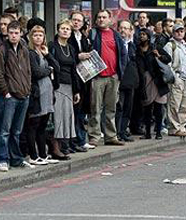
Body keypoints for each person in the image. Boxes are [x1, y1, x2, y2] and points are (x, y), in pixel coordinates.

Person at [0, 20, 33, 172]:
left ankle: (16, 158)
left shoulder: (24, 49)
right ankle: (3, 159)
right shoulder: (2, 50)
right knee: (4, 130)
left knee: (16, 131)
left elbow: (28, 71)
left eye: (16, 33)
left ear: (21, 33)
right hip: (9, 96)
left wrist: (28, 89)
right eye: (11, 33)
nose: (14, 36)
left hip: (23, 95)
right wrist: (6, 92)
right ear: (7, 34)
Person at [88, 10, 127, 146]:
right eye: (99, 17)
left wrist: (119, 73)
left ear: (110, 20)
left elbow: (123, 54)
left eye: (104, 17)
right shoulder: (92, 34)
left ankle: (111, 136)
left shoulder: (116, 35)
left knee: (111, 108)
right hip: (97, 77)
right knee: (95, 108)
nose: (101, 19)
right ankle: (94, 136)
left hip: (113, 76)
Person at [27, 25, 60, 165]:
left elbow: (57, 67)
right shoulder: (30, 53)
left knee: (43, 127)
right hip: (36, 94)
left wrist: (48, 56)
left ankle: (43, 154)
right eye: (35, 35)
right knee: (33, 126)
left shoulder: (42, 52)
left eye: (41, 35)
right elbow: (36, 72)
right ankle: (33, 156)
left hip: (47, 94)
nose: (38, 38)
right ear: (31, 37)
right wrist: (49, 70)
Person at [48, 19, 80, 156]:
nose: (65, 31)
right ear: (58, 30)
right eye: (63, 28)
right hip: (57, 85)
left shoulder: (71, 48)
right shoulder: (52, 46)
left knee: (68, 116)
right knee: (58, 116)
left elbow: (74, 70)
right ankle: (56, 147)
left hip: (69, 85)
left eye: (68, 29)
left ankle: (65, 144)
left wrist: (76, 90)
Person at [136, 29, 171, 140]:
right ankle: (147, 133)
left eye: (144, 34)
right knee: (146, 108)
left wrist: (159, 56)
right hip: (144, 81)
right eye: (140, 34)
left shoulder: (155, 47)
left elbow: (168, 59)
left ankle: (158, 132)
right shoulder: (136, 49)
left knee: (158, 108)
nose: (142, 36)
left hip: (157, 80)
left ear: (149, 36)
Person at [68, 11, 93, 151]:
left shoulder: (84, 37)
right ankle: (75, 140)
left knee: (83, 111)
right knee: (75, 111)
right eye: (74, 20)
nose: (76, 22)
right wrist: (79, 56)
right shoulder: (68, 36)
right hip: (73, 78)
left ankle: (82, 139)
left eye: (79, 20)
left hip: (85, 78)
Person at [164, 24, 186, 136]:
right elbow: (167, 63)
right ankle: (174, 128)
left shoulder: (185, 45)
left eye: (181, 31)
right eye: (177, 31)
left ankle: (182, 127)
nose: (179, 33)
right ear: (173, 33)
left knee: (184, 104)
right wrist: (174, 77)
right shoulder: (170, 45)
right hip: (177, 77)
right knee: (174, 103)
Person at [116, 20, 138, 142]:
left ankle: (123, 131)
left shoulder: (132, 45)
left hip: (131, 81)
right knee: (119, 107)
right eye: (121, 28)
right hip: (119, 81)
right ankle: (117, 132)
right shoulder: (116, 43)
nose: (123, 30)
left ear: (130, 31)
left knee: (128, 108)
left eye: (126, 28)